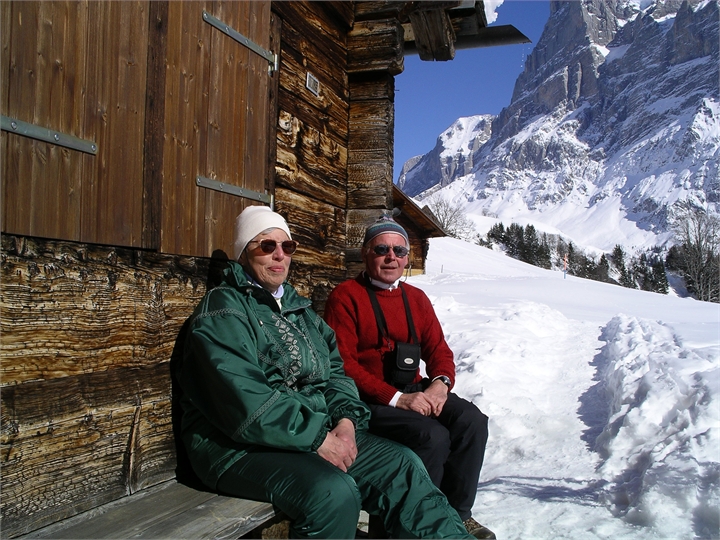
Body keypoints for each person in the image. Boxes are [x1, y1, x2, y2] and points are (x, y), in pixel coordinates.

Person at [177, 205, 474, 539]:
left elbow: (335, 374)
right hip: (236, 447)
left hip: (310, 434)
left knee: (402, 466)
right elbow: (244, 401)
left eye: (287, 246)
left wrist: (346, 422)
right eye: (266, 245)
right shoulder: (224, 312)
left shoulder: (299, 312)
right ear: (243, 253)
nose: (279, 255)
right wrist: (318, 437)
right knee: (334, 494)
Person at [324, 216, 494, 539]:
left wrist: (440, 384)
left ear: (407, 258)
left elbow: (439, 350)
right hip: (370, 400)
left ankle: (457, 516)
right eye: (382, 249)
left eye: (399, 250)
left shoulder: (416, 299)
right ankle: (411, 528)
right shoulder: (346, 297)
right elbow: (343, 366)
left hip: (414, 390)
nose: (391, 257)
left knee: (472, 422)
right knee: (431, 437)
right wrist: (398, 399)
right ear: (366, 253)